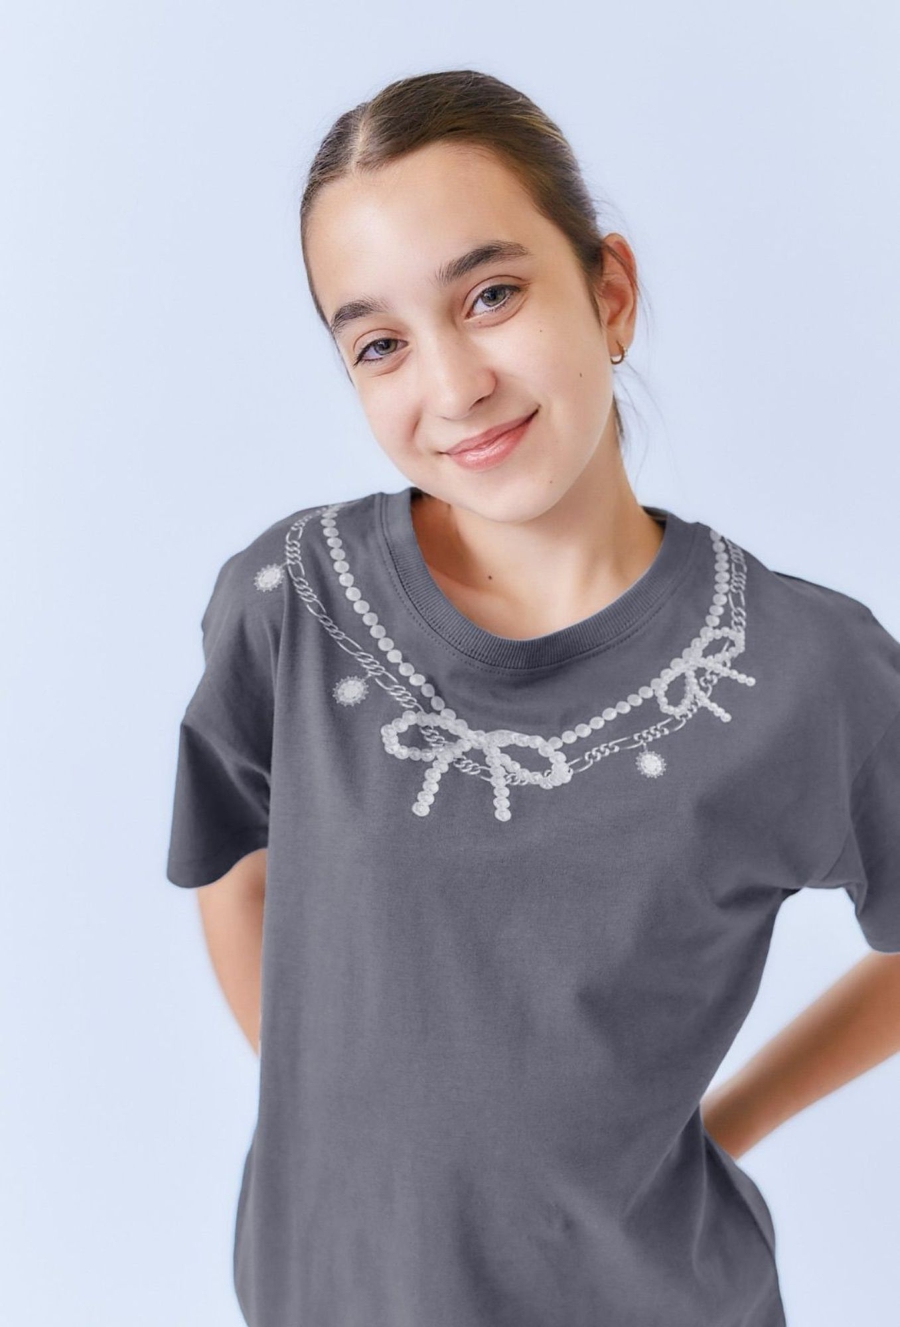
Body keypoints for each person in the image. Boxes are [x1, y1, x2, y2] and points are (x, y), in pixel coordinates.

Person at [165, 69, 900, 1327]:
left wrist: (723, 1125)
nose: (454, 385)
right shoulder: (290, 603)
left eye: (491, 296)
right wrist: (349, 1142)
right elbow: (236, 870)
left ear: (609, 293)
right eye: (381, 343)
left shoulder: (806, 671)